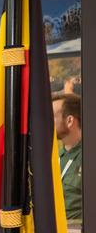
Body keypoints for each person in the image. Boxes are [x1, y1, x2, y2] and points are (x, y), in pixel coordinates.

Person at [52, 93, 82, 221]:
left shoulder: (88, 157)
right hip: (54, 231)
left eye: (52, 116)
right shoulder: (54, 157)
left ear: (69, 121)